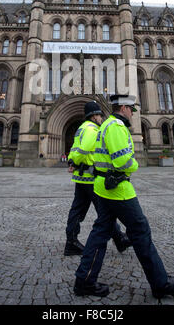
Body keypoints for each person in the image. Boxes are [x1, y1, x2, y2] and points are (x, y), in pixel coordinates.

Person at [74, 94, 174, 300]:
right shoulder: (116, 126)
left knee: (100, 233)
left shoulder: (106, 124)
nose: (133, 114)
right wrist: (135, 164)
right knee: (140, 231)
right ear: (124, 108)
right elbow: (123, 161)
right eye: (131, 110)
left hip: (102, 186)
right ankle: (160, 283)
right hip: (118, 189)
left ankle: (84, 280)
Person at [64, 100, 131, 256]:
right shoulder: (92, 130)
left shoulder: (81, 128)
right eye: (100, 115)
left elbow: (74, 149)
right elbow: (84, 149)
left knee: (77, 210)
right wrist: (78, 160)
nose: (101, 118)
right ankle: (119, 239)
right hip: (90, 177)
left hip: (81, 177)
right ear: (94, 116)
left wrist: (72, 161)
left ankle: (71, 241)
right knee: (105, 211)